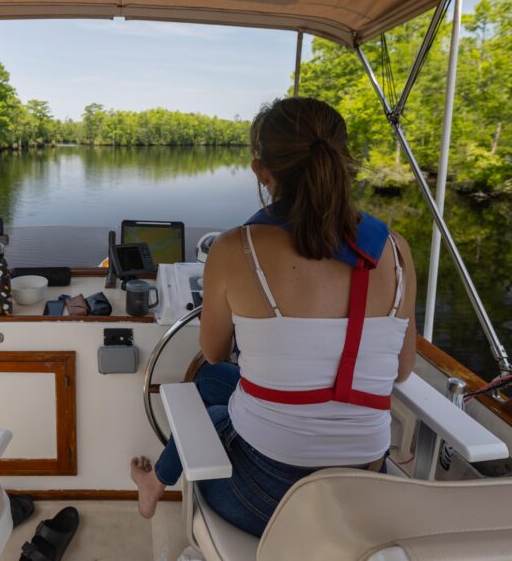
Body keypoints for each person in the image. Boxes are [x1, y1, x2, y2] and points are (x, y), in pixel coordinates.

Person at [130, 97, 417, 537]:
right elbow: (402, 369)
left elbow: (213, 350)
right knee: (214, 386)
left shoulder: (235, 248)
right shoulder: (395, 249)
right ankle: (159, 479)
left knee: (211, 399)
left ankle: (153, 485)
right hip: (363, 479)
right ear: (343, 160)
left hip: (269, 495)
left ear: (261, 169)